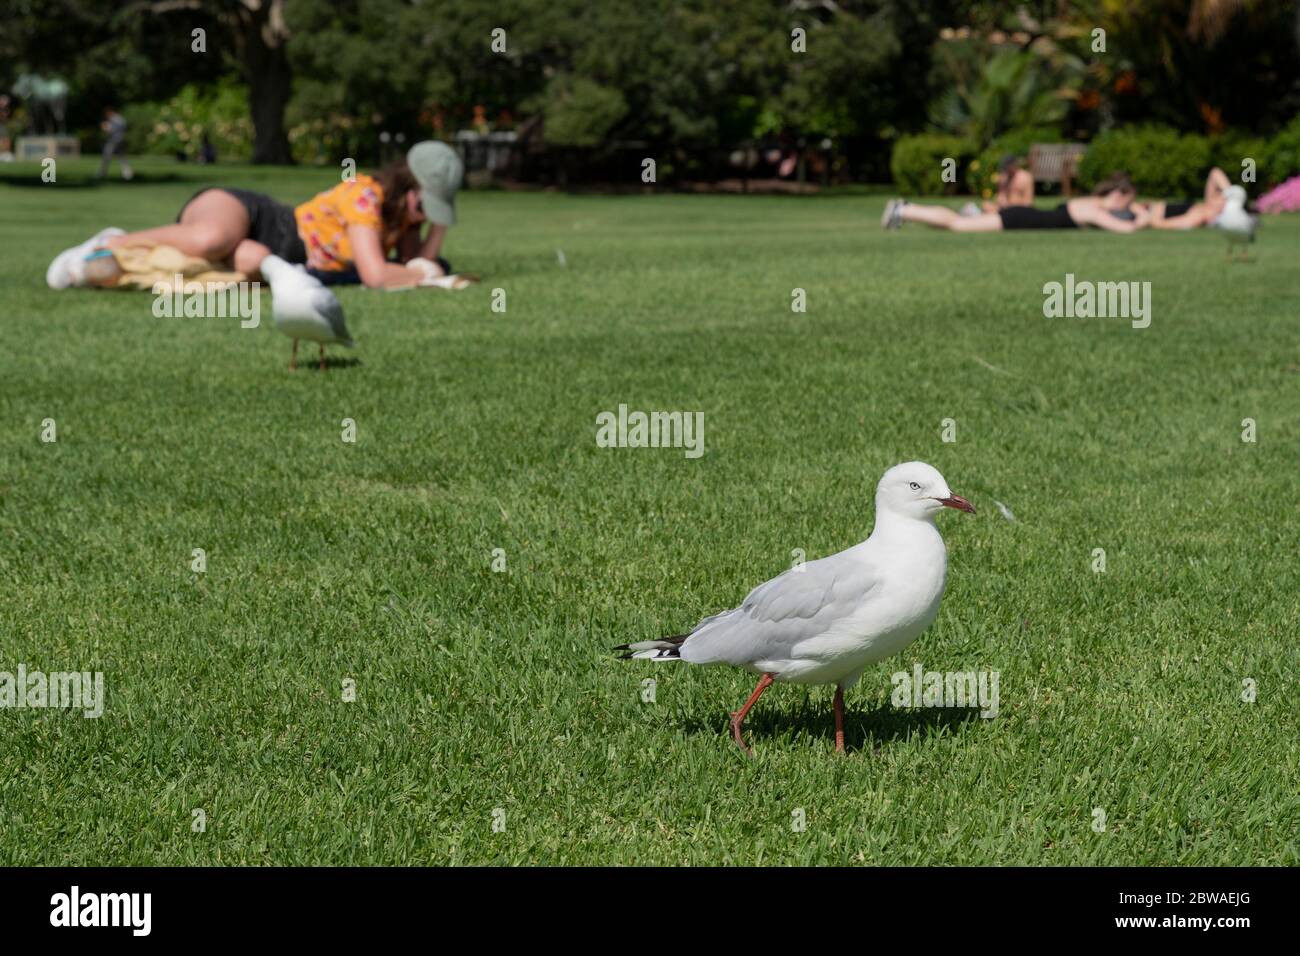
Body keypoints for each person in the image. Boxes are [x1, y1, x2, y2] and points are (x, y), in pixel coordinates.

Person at [47, 140, 463, 290]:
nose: (423, 217)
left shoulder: (406, 218)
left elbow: (411, 263)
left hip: (273, 255)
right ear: (407, 184)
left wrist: (436, 228)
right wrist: (428, 275)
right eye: (425, 205)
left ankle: (114, 264)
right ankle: (110, 241)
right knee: (211, 241)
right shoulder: (365, 197)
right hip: (260, 216)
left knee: (218, 266)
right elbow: (379, 276)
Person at [882, 171, 1150, 234]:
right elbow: (1125, 229)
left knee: (959, 222)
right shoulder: (1094, 209)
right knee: (958, 224)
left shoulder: (1089, 200)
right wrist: (1142, 215)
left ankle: (905, 211)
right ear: (1117, 195)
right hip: (1022, 218)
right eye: (1127, 202)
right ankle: (905, 209)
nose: (1125, 208)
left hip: (1023, 215)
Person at [1142, 167, 1231, 229]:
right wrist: (1232, 194)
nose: (1222, 197)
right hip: (1149, 209)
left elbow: (1159, 224)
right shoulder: (1209, 204)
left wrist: (1148, 218)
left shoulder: (1196, 218)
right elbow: (1215, 173)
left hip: (1148, 214)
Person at [97, 106, 133, 180]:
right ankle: (127, 173)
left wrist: (105, 127)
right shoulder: (119, 119)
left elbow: (111, 130)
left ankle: (102, 172)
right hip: (119, 139)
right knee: (121, 156)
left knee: (107, 154)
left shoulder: (115, 119)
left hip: (115, 140)